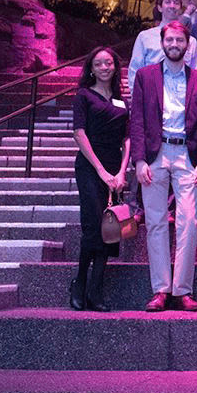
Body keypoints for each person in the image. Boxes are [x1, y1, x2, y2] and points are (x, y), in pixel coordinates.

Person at [130, 21, 197, 312]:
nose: (175, 45)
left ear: (188, 45)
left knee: (189, 221)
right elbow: (136, 119)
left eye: (180, 40)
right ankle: (161, 290)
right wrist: (139, 160)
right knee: (155, 222)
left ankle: (182, 290)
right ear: (162, 42)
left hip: (186, 156)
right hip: (155, 154)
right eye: (170, 40)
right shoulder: (145, 76)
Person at [70, 47, 130, 312]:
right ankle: (80, 282)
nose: (105, 67)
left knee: (111, 229)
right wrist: (102, 172)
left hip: (115, 167)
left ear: (115, 67)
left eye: (109, 63)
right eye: (99, 63)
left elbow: (127, 139)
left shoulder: (121, 101)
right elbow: (79, 134)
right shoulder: (83, 96)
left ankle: (96, 289)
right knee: (93, 225)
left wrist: (120, 172)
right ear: (91, 69)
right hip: (90, 166)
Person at [128, 0, 197, 93]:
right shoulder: (145, 37)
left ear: (180, 8)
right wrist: (136, 97)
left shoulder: (191, 41)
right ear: (160, 7)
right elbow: (135, 69)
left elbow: (195, 74)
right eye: (167, 2)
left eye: (176, 3)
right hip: (150, 95)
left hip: (180, 99)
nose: (172, 6)